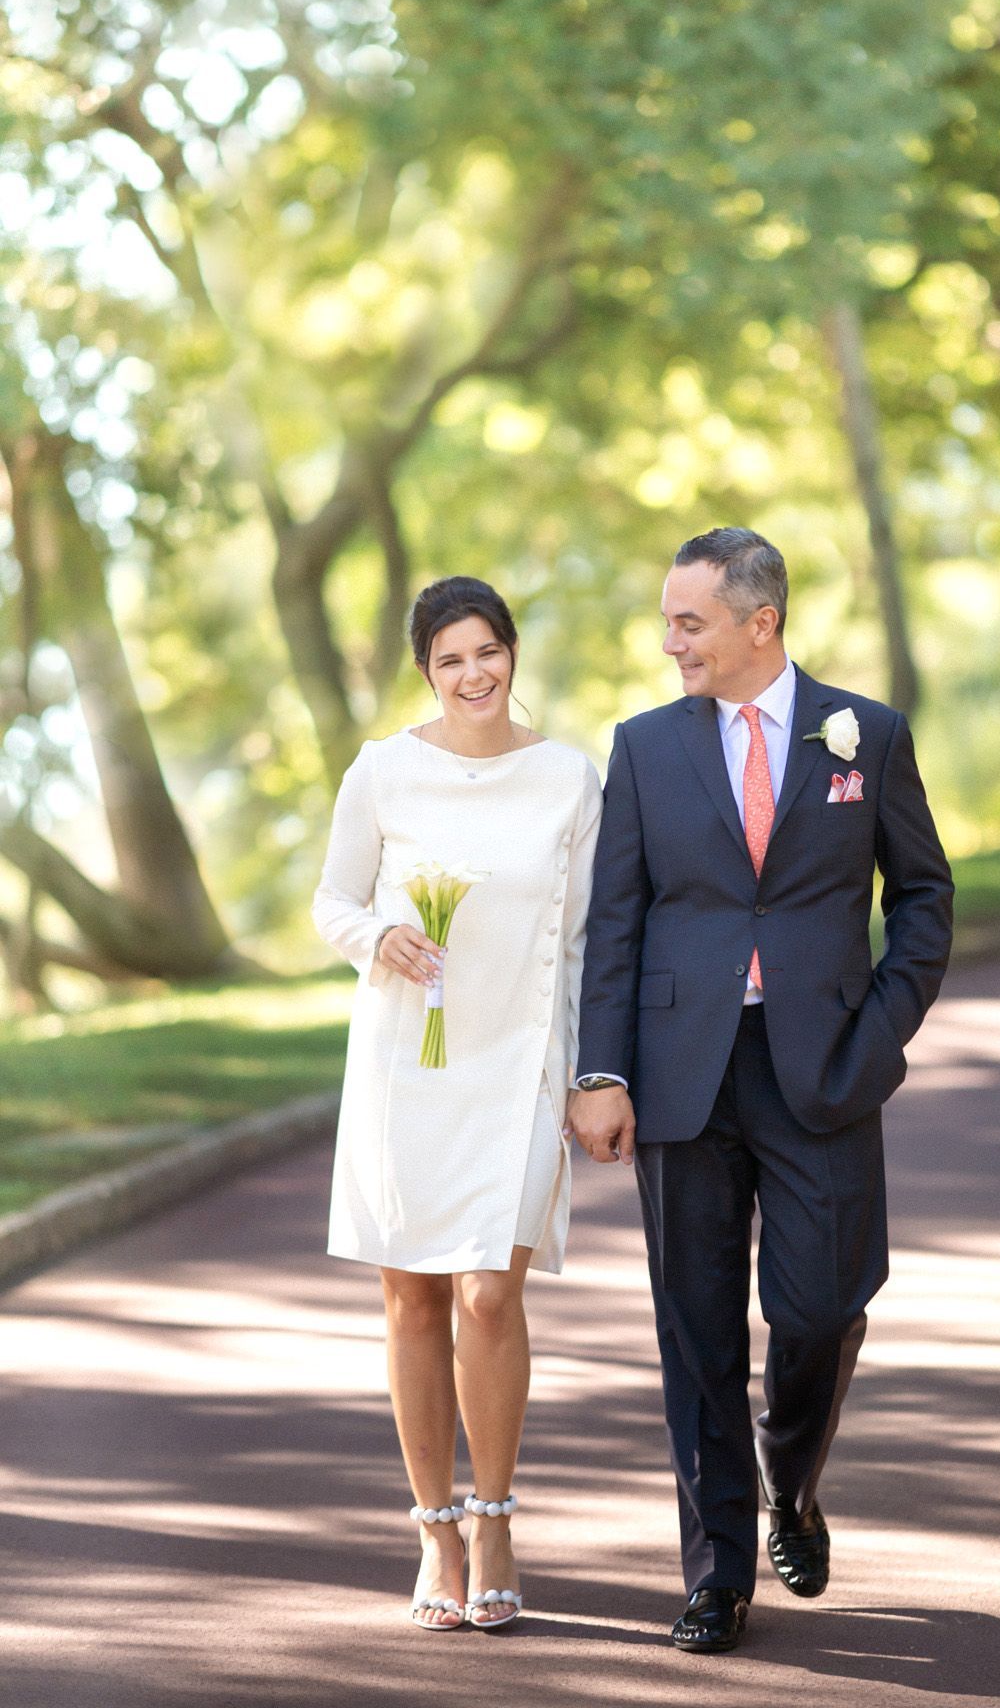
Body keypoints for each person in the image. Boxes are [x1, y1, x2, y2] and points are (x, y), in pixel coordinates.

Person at [568, 527, 952, 1655]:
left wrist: (878, 1033)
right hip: (682, 1074)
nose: (670, 640)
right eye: (667, 620)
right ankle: (716, 1573)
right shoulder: (642, 747)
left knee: (823, 1308)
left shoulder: (863, 734)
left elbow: (923, 896)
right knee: (693, 1331)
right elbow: (615, 925)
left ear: (759, 622)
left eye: (689, 621)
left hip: (823, 1068)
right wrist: (601, 1070)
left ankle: (792, 1481)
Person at [312, 575, 601, 1634]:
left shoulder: (570, 778)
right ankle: (434, 1525)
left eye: (488, 651)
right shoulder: (383, 769)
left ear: (512, 652)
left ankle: (495, 1516)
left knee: (488, 1291)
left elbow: (583, 942)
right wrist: (374, 936)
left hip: (517, 1062)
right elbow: (332, 898)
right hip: (405, 1060)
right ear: (424, 671)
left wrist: (587, 1074)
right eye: (450, 660)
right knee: (413, 1299)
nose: (473, 674)